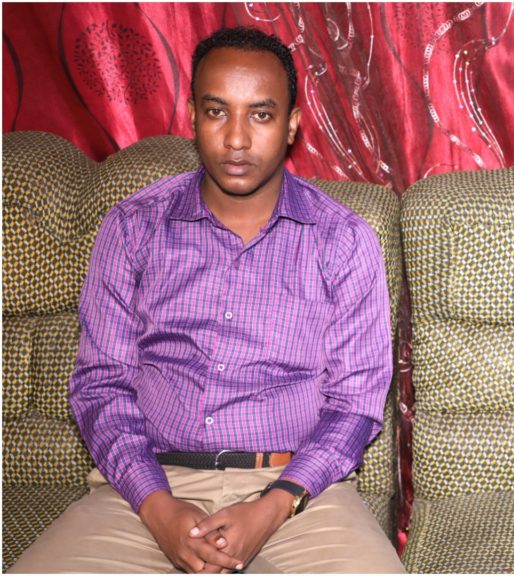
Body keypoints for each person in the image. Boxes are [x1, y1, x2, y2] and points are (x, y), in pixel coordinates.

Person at [9, 27, 404, 573]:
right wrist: (158, 508)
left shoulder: (342, 239)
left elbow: (355, 404)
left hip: (296, 491)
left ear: (291, 124)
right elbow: (101, 385)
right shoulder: (132, 228)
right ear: (192, 116)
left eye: (261, 115)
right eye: (218, 112)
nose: (237, 139)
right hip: (146, 486)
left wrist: (270, 508)